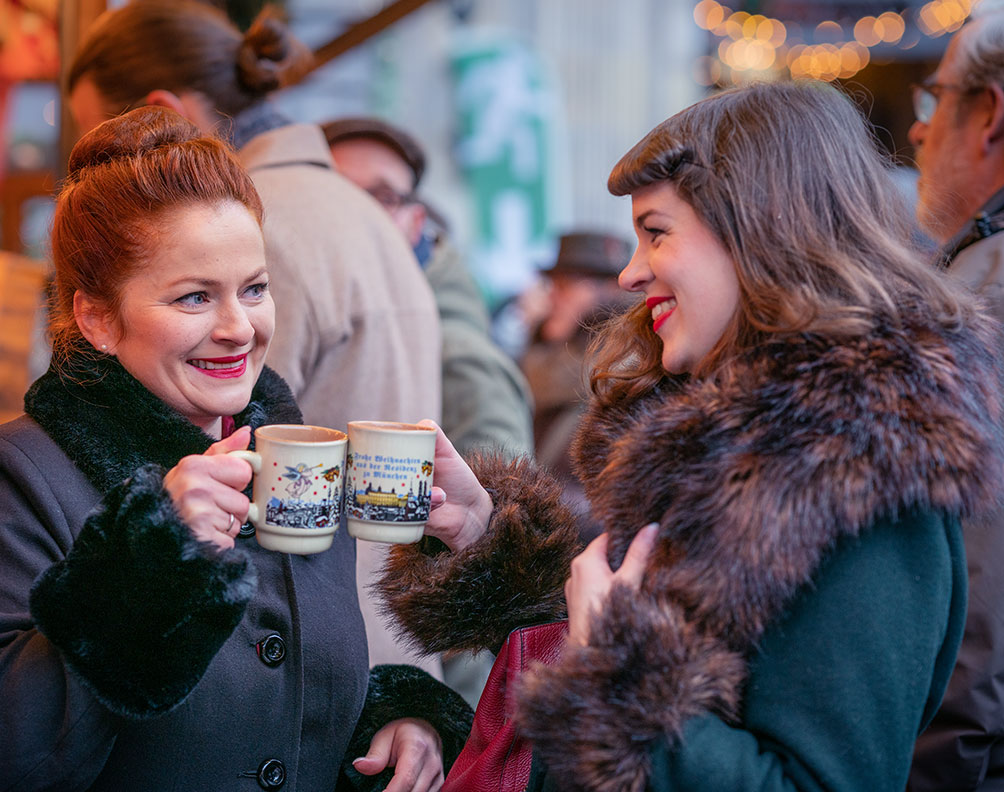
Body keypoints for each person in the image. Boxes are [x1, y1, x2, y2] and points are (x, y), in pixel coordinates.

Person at [374, 80, 1004, 791]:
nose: (629, 270)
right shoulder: (728, 437)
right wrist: (489, 540)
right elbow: (659, 632)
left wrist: (619, 670)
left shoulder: (865, 480)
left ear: (757, 230)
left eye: (657, 231)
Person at [0, 107, 471, 792]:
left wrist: (392, 717)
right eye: (194, 297)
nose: (239, 327)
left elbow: (275, 695)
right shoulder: (9, 481)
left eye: (255, 289)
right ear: (97, 317)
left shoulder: (296, 465)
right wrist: (153, 562)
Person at [65, 0, 443, 676]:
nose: (92, 186)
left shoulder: (254, 228)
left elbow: (218, 431)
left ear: (160, 113)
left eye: (98, 140)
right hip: (394, 640)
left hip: (314, 663)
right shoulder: (358, 207)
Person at [908, 9, 1004, 788]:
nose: (918, 131)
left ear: (990, 115)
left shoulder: (985, 303)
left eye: (933, 100)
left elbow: (972, 605)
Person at [321, 116, 534, 460]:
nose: (357, 213)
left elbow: (509, 498)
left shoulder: (456, 353)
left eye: (382, 197)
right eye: (336, 192)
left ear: (416, 223)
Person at [518, 230, 633, 538]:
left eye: (566, 286)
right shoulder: (542, 365)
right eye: (551, 285)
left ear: (611, 290)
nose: (551, 297)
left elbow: (613, 509)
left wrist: (520, 506)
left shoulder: (622, 384)